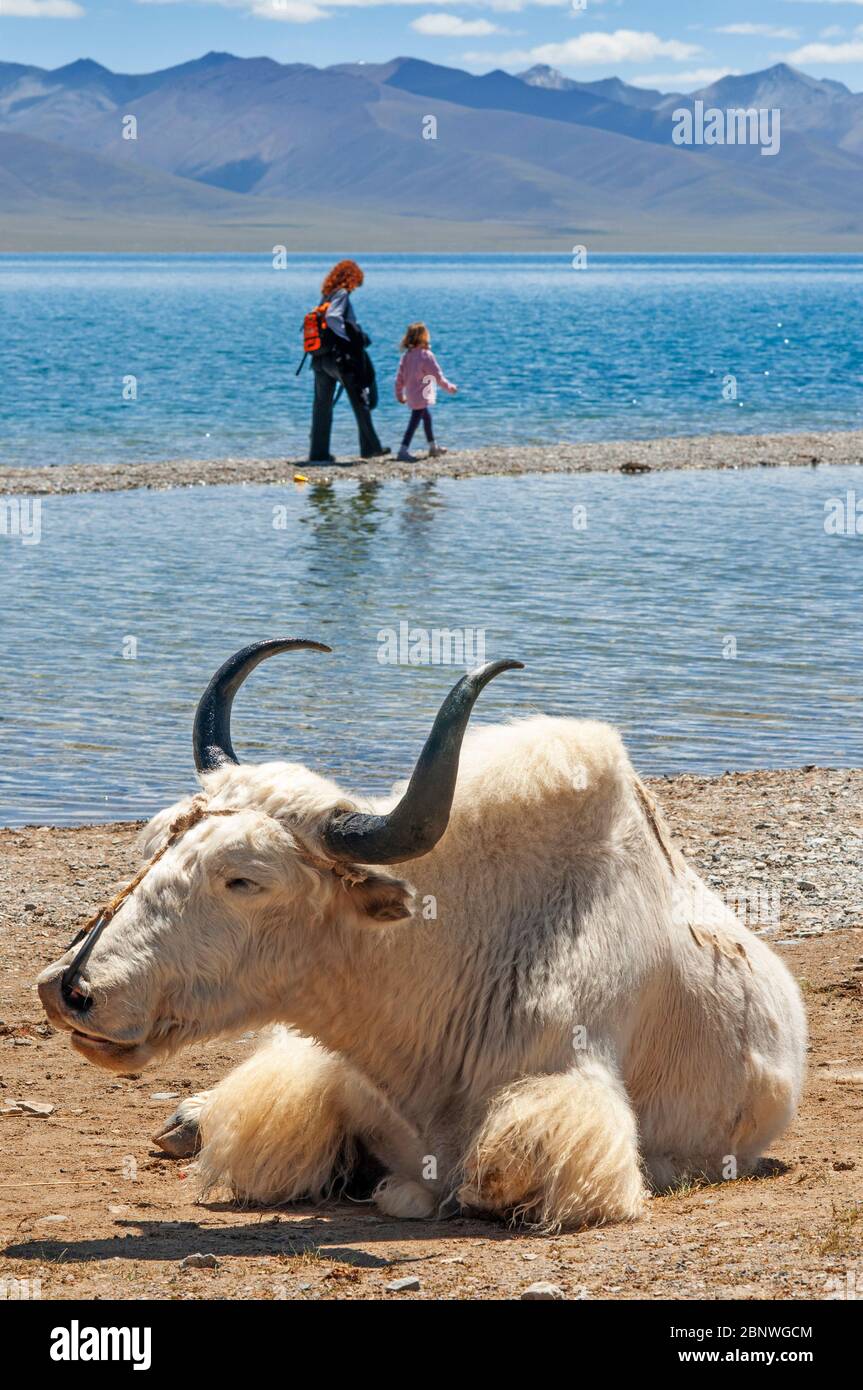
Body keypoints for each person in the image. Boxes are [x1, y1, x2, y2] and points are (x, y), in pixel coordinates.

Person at [307, 260, 389, 463]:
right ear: (352, 279)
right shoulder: (341, 294)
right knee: (359, 401)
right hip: (340, 358)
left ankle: (318, 453)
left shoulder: (326, 295)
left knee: (321, 406)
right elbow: (334, 318)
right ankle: (371, 448)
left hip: (320, 359)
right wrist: (349, 338)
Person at [394, 322, 457, 463]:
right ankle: (403, 450)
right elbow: (437, 376)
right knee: (414, 422)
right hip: (421, 395)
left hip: (412, 395)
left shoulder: (407, 356)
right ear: (424, 337)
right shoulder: (425, 356)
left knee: (426, 418)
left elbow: (399, 378)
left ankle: (433, 447)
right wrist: (449, 387)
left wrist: (399, 394)